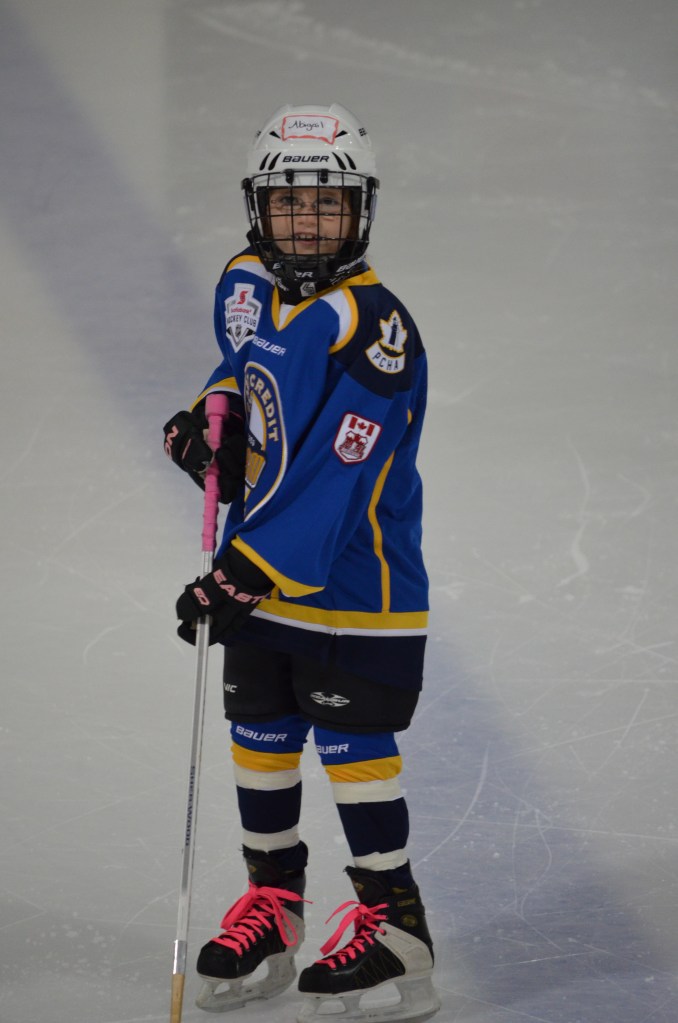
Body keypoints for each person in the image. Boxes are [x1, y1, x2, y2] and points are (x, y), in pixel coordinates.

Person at [163, 103, 440, 1023]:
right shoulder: (247, 284)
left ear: (361, 210)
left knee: (356, 748)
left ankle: (396, 926)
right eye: (289, 202)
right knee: (261, 732)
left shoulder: (374, 328)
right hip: (263, 569)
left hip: (355, 586)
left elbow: (333, 479)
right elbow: (243, 367)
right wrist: (210, 415)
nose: (309, 220)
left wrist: (242, 571)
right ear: (259, 208)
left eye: (329, 202)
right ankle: (275, 908)